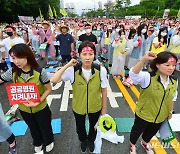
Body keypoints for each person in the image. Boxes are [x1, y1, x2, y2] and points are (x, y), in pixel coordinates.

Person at [50, 41, 107, 153]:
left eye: (90, 54)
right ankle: (83, 140)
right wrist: (68, 65)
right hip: (78, 107)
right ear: (79, 54)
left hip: (95, 106)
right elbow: (54, 79)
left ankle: (91, 140)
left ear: (94, 55)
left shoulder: (100, 70)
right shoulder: (73, 70)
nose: (87, 58)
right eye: (84, 54)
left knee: (93, 127)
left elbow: (104, 91)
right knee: (80, 127)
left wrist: (104, 109)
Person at [0, 44, 54, 153]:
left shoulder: (39, 71)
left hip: (41, 108)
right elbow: (1, 79)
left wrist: (38, 101)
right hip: (24, 109)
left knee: (45, 126)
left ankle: (49, 141)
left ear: (27, 56)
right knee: (33, 127)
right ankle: (37, 142)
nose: (16, 61)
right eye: (13, 58)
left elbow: (48, 89)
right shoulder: (12, 72)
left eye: (19, 57)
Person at [129, 51, 178, 154]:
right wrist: (144, 59)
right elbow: (133, 75)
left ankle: (145, 142)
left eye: (174, 65)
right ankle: (132, 145)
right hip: (144, 114)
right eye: (167, 65)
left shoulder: (174, 81)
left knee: (151, 132)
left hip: (161, 116)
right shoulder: (148, 77)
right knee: (136, 131)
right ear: (158, 65)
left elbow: (173, 97)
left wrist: (170, 112)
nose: (171, 68)